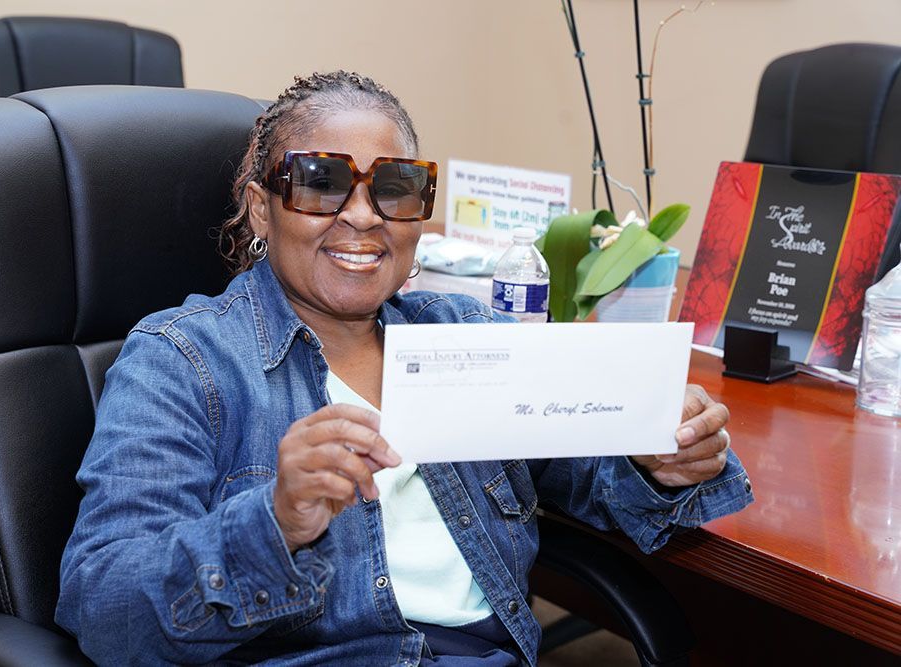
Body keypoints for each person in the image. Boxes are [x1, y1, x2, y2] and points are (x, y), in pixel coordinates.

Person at [56, 71, 753, 666]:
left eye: (394, 188)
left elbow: (589, 469)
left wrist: (658, 456)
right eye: (320, 182)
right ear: (261, 207)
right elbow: (105, 609)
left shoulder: (467, 335)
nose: (363, 217)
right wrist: (273, 521)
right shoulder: (183, 361)